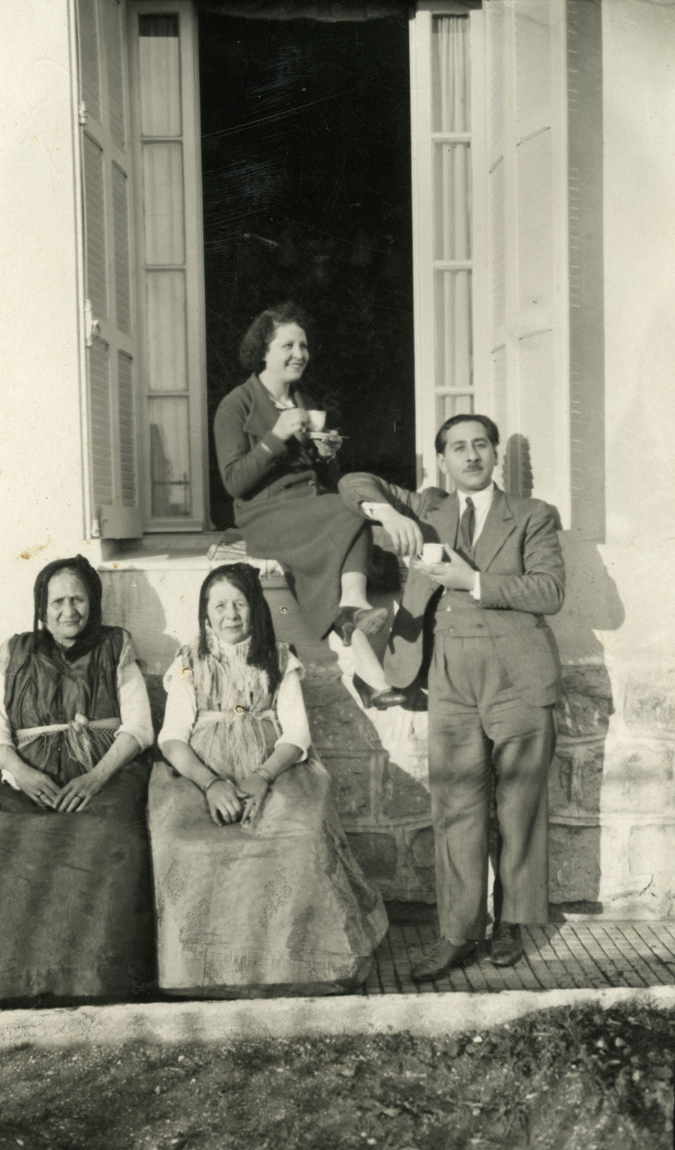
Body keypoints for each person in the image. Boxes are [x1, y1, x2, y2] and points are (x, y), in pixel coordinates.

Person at [339, 414, 565, 980]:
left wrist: (476, 583)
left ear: (495, 457)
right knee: (455, 808)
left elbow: (551, 590)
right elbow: (353, 481)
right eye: (458, 448)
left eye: (481, 446)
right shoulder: (428, 508)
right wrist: (389, 512)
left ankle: (512, 924)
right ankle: (458, 933)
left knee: (519, 808)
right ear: (442, 460)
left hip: (519, 674)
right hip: (449, 676)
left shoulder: (533, 515)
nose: (471, 456)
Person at [146, 563, 389, 997]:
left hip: (273, 768)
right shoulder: (188, 662)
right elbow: (171, 737)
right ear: (205, 614)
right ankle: (204, 970)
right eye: (219, 605)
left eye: (239, 603)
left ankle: (297, 964)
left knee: (297, 835)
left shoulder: (278, 658)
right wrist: (211, 783)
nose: (230, 614)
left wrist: (261, 778)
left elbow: (297, 734)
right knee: (182, 841)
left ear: (255, 608)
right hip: (204, 772)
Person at [0, 556, 156, 1005]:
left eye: (78, 599)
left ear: (93, 603)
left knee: (111, 836)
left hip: (104, 776)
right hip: (26, 781)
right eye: (57, 601)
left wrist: (96, 779)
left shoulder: (115, 647)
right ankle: (1, 983)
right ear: (42, 607)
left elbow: (139, 728)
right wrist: (23, 772)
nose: (68, 610)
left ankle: (96, 983)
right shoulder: (16, 652)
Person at [213, 301, 404, 709]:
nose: (299, 353)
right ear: (263, 351)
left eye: (303, 345)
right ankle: (353, 610)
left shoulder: (305, 398)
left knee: (349, 508)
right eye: (287, 345)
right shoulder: (237, 404)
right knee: (350, 510)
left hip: (309, 510)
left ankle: (365, 657)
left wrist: (326, 454)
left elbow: (321, 478)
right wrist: (275, 437)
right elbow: (233, 482)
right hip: (264, 515)